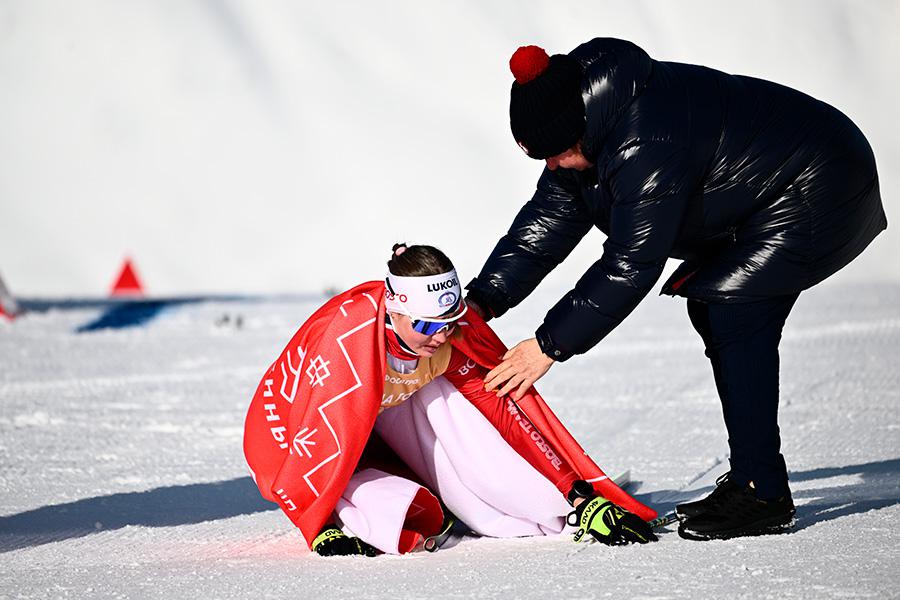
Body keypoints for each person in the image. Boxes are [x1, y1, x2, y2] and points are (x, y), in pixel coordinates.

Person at [466, 39, 887, 541]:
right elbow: (547, 222)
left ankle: (762, 493)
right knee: (715, 311)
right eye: (542, 158)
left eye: (555, 154)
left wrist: (548, 344)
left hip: (821, 181)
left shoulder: (644, 140)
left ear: (576, 131)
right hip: (766, 190)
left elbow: (631, 263)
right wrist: (480, 301)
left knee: (733, 310)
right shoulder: (584, 129)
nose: (551, 167)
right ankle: (754, 478)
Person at [243, 244, 657, 557]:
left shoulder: (444, 341)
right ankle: (371, 501)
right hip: (290, 432)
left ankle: (541, 507)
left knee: (460, 401)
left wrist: (576, 494)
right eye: (427, 324)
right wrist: (320, 526)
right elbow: (315, 440)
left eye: (451, 322)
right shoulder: (348, 341)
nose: (441, 336)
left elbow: (504, 414)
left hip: (377, 413)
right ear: (395, 311)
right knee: (378, 511)